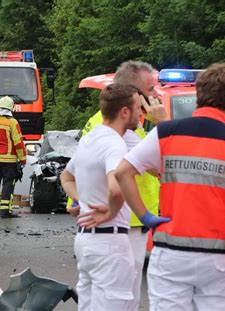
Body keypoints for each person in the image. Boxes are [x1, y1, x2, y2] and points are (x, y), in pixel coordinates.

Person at [115, 63, 225, 311]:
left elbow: (123, 172)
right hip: (221, 257)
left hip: (172, 253)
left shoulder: (166, 132)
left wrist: (146, 217)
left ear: (199, 95)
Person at [71, 60, 168, 310]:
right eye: (150, 88)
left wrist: (80, 200)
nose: (156, 93)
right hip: (125, 225)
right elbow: (163, 165)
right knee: (123, 301)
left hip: (99, 230)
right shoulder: (124, 134)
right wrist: (163, 126)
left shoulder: (100, 124)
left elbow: (73, 172)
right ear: (133, 94)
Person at [61, 83, 145, 310]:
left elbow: (66, 177)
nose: (141, 113)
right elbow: (116, 187)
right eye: (138, 107)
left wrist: (83, 200)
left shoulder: (91, 138)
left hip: (85, 242)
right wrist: (111, 211)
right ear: (124, 112)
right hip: (110, 242)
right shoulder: (114, 144)